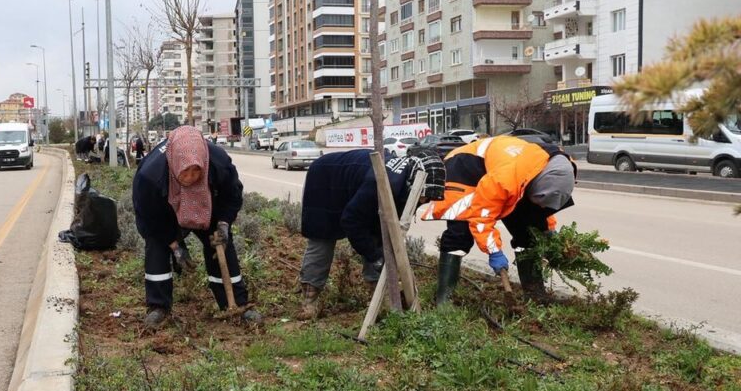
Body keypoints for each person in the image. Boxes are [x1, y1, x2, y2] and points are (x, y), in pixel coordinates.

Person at [422, 135, 577, 305]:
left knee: (527, 233)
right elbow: (482, 217)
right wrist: (494, 251)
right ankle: (444, 301)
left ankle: (535, 296)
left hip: (501, 168)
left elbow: (539, 211)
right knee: (459, 234)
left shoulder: (554, 170)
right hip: (463, 169)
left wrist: (548, 231)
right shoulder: (505, 179)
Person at [132, 125, 260, 329]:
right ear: (174, 164)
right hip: (166, 212)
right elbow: (149, 218)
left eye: (196, 170)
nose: (191, 177)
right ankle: (159, 307)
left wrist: (224, 224)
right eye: (185, 171)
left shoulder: (218, 162)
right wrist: (175, 246)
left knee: (222, 247)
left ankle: (235, 302)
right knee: (157, 247)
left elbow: (232, 195)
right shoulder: (150, 176)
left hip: (208, 206)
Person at [297, 148, 446, 319]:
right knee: (322, 239)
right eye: (424, 196)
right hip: (325, 179)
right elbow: (351, 221)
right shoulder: (381, 183)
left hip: (356, 183)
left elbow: (387, 229)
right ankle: (309, 301)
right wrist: (375, 257)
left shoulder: (407, 181)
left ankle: (379, 297)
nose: (425, 201)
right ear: (413, 183)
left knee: (378, 236)